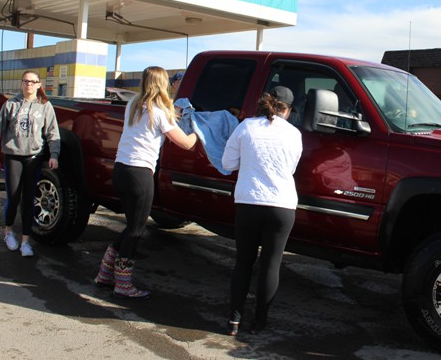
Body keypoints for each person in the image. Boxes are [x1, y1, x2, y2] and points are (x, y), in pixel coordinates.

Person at [94, 66, 197, 299]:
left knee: (131, 225)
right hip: (140, 173)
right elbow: (186, 143)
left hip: (121, 169)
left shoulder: (134, 105)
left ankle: (105, 272)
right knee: (136, 229)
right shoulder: (159, 112)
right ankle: (122, 284)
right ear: (162, 84)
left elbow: (167, 114)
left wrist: (176, 111)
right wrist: (199, 131)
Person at [221, 86, 303, 336]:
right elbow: (290, 170)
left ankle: (234, 319)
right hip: (281, 206)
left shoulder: (245, 126)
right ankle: (260, 322)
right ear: (287, 110)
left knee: (243, 262)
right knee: (270, 266)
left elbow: (227, 164)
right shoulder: (294, 133)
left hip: (249, 202)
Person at [0, 70, 60, 258]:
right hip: (13, 156)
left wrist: (54, 155)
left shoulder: (45, 106)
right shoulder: (10, 104)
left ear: (38, 85)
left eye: (32, 82)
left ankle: (26, 242)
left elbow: (53, 133)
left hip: (33, 157)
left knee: (29, 198)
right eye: (25, 81)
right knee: (13, 197)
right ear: (21, 84)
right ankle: (8, 232)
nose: (28, 84)